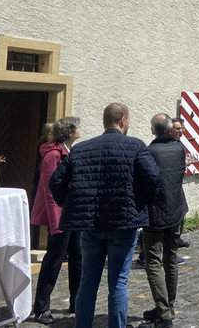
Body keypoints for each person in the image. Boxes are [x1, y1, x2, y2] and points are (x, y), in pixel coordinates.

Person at [50, 103, 161, 328]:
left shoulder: (81, 149)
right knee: (118, 283)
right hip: (123, 222)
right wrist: (138, 202)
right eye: (128, 119)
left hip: (91, 223)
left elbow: (56, 181)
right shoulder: (135, 146)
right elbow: (153, 178)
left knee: (87, 282)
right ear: (122, 120)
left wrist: (72, 203)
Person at [31, 117, 82, 324]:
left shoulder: (69, 151)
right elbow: (50, 191)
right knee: (53, 261)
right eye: (77, 127)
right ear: (69, 132)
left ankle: (76, 301)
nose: (80, 129)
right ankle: (42, 308)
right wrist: (56, 222)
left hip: (74, 214)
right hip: (61, 216)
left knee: (78, 258)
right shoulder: (52, 155)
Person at [139, 114, 188, 328]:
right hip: (176, 210)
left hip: (155, 213)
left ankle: (164, 313)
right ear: (170, 129)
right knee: (171, 258)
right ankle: (168, 305)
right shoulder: (179, 149)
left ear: (153, 130)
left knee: (153, 261)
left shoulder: (149, 152)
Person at [170, 117, 192, 249]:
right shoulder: (169, 145)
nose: (181, 131)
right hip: (169, 185)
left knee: (182, 211)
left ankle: (177, 239)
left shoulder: (178, 144)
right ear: (170, 129)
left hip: (176, 184)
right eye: (178, 128)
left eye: (182, 128)